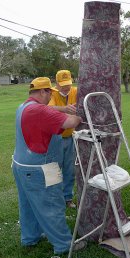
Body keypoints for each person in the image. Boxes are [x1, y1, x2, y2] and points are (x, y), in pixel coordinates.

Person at [12, 77, 85, 254]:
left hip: (21, 165)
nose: (50, 98)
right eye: (49, 93)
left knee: (28, 205)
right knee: (53, 205)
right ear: (42, 92)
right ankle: (64, 245)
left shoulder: (24, 107)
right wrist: (78, 116)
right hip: (42, 168)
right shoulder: (39, 111)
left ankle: (30, 237)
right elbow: (70, 123)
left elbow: (49, 113)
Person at [48, 70, 77, 208]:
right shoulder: (52, 94)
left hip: (71, 137)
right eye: (63, 85)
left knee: (70, 169)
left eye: (68, 84)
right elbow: (48, 109)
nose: (67, 88)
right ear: (57, 84)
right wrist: (64, 109)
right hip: (55, 138)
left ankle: (67, 198)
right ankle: (52, 199)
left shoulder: (75, 91)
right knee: (53, 169)